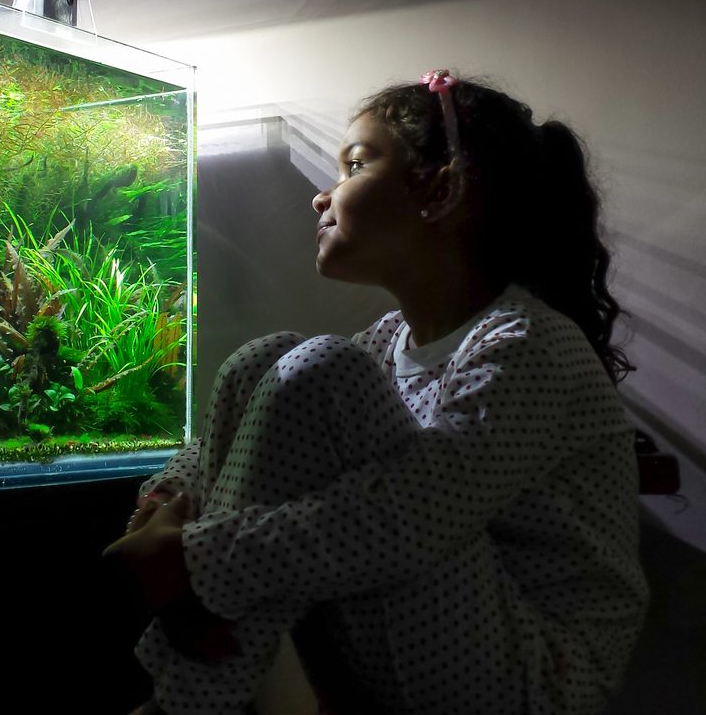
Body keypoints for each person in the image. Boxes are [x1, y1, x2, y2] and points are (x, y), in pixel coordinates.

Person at [103, 71, 649, 715]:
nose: (321, 197)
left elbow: (412, 514)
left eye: (356, 164)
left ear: (441, 190)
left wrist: (195, 560)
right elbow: (240, 431)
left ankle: (185, 698)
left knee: (316, 367)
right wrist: (163, 502)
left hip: (532, 677)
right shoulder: (388, 340)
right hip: (418, 636)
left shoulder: (530, 343)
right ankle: (200, 683)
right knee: (265, 361)